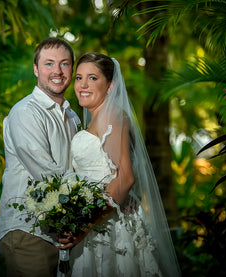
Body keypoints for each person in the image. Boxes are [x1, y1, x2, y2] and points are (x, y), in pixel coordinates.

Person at [59, 53, 180, 276]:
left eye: (93, 78)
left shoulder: (111, 115)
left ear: (111, 85)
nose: (83, 85)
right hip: (95, 218)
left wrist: (84, 227)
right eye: (79, 77)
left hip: (107, 225)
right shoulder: (95, 119)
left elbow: (125, 178)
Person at [0, 37, 81, 277]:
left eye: (64, 64)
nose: (57, 71)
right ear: (36, 69)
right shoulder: (25, 112)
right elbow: (46, 172)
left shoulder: (73, 118)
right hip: (28, 230)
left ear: (72, 69)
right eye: (49, 64)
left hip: (63, 234)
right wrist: (94, 202)